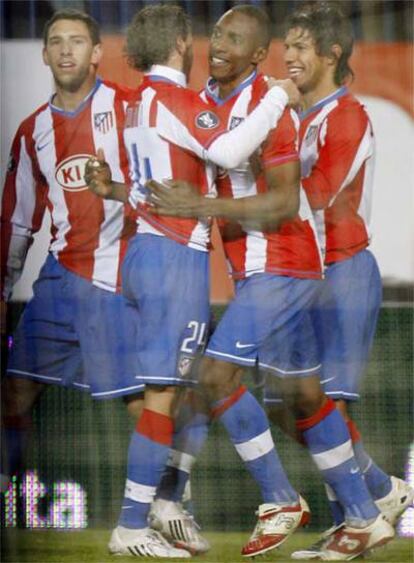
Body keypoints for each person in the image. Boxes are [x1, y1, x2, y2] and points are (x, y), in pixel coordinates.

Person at [146, 4, 396, 560]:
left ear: (259, 54)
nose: (218, 44)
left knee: (215, 375)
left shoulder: (273, 107)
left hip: (291, 264)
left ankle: (281, 499)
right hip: (266, 266)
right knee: (303, 398)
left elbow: (290, 201)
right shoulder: (216, 103)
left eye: (235, 38)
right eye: (215, 32)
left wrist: (204, 204)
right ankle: (367, 512)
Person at [85, 4, 306, 558]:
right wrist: (280, 94)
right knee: (165, 398)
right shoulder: (178, 101)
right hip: (174, 260)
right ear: (181, 44)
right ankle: (134, 525)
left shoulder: (137, 104)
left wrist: (113, 191)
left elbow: (140, 189)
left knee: (191, 391)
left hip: (143, 253)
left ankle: (166, 503)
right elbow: (229, 149)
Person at [263, 2, 413, 558]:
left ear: (331, 54)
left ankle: (355, 522)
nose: (290, 55)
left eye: (301, 46)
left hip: (341, 272)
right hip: (302, 275)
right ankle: (378, 489)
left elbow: (314, 195)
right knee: (282, 399)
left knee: (325, 403)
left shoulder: (346, 115)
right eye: (288, 44)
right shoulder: (296, 115)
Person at [0, 8, 144, 506]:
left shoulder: (132, 112)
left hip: (119, 280)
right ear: (44, 54)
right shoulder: (32, 129)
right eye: (56, 41)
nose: (66, 50)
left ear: (98, 53)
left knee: (143, 402)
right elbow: (18, 221)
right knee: (14, 396)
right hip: (59, 282)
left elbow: (158, 189)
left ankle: (165, 507)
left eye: (77, 41)